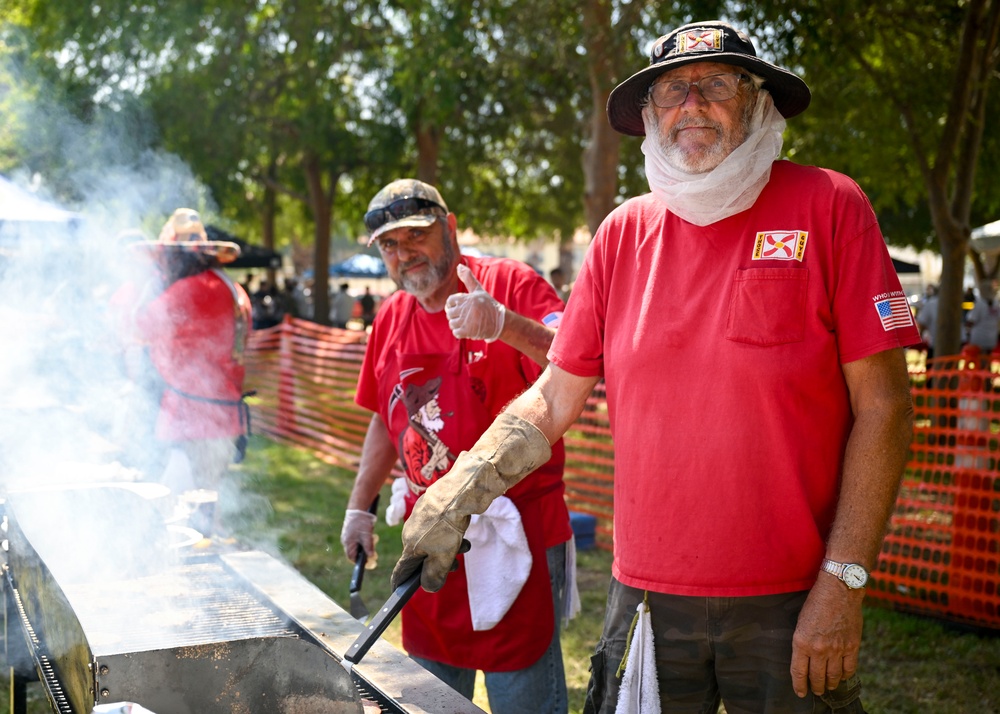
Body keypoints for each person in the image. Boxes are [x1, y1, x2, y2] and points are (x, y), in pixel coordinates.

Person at [391, 21, 921, 714]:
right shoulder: (622, 233)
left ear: (757, 99)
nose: (692, 104)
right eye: (672, 90)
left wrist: (844, 582)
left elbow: (886, 408)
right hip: (645, 596)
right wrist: (458, 491)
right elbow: (554, 395)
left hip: (791, 597)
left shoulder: (829, 204)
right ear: (648, 116)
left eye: (716, 84)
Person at [339, 178, 572, 713]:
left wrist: (504, 324)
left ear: (449, 227)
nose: (403, 255)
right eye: (390, 246)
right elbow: (384, 417)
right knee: (430, 701)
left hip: (518, 534)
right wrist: (359, 507)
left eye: (415, 236)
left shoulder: (512, 283)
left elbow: (574, 357)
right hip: (431, 543)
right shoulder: (391, 318)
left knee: (525, 701)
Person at [134, 208, 253, 535]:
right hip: (220, 414)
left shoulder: (193, 289)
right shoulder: (232, 289)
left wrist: (152, 285)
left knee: (173, 511)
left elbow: (139, 325)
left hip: (194, 416)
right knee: (205, 506)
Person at [965, 279, 999, 352]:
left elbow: (972, 319)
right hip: (991, 338)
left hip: (978, 338)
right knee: (987, 360)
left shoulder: (980, 303)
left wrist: (967, 329)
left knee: (979, 360)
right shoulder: (996, 303)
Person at [916, 284, 939, 358]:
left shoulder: (931, 303)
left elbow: (922, 323)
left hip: (936, 344)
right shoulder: (952, 301)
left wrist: (920, 338)